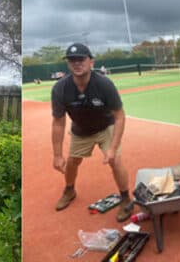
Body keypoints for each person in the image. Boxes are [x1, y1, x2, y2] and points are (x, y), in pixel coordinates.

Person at [51, 43, 133, 222]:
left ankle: (126, 198)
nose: (76, 63)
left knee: (115, 160)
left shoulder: (104, 84)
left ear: (91, 62)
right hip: (80, 130)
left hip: (105, 127)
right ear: (68, 64)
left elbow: (119, 116)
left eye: (81, 59)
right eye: (72, 60)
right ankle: (69, 190)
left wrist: (112, 148)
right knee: (72, 162)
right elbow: (58, 122)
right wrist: (57, 155)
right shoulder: (60, 88)